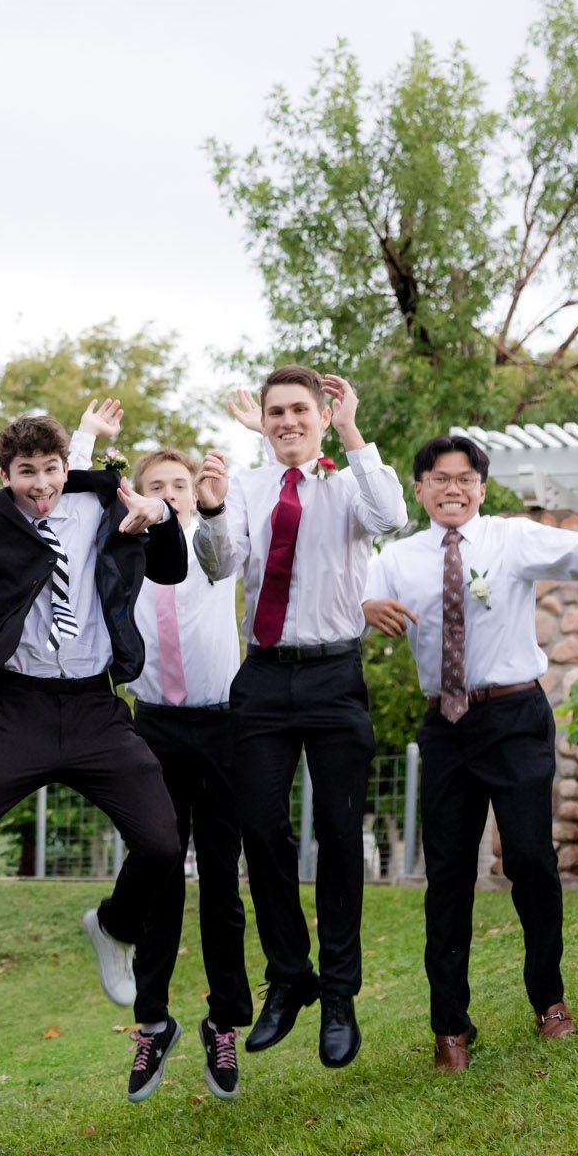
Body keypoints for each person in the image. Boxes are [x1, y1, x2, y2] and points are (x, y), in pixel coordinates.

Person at [0, 406, 190, 1101]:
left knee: (160, 844)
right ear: (6, 475)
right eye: (26, 473)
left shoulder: (105, 499)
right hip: (18, 711)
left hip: (95, 707)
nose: (41, 485)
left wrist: (163, 515)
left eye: (51, 470)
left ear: (67, 467)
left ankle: (113, 927)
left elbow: (174, 568)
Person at [363, 436, 578, 1073]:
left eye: (464, 478)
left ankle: (550, 1000)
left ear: (482, 488)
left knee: (528, 856)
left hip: (514, 718)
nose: (452, 489)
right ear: (421, 488)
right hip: (445, 727)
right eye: (438, 478)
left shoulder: (512, 537)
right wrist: (363, 606)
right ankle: (450, 1028)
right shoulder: (397, 556)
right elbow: (351, 605)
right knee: (449, 875)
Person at [194, 368, 406, 1069]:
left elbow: (392, 517)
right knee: (259, 825)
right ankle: (290, 975)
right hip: (262, 677)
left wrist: (351, 433)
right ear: (262, 418)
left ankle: (340, 993)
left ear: (321, 414)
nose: (287, 420)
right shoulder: (250, 485)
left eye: (300, 410)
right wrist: (214, 509)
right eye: (275, 410)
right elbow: (220, 562)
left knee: (342, 833)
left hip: (334, 674)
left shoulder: (349, 483)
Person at [128, 447, 250, 1099]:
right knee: (157, 872)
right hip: (154, 726)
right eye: (158, 485)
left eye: (179, 484)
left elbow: (223, 543)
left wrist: (210, 500)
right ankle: (153, 1020)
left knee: (222, 883)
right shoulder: (125, 555)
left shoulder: (209, 545)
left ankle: (224, 1020)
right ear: (138, 494)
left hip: (221, 725)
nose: (170, 493)